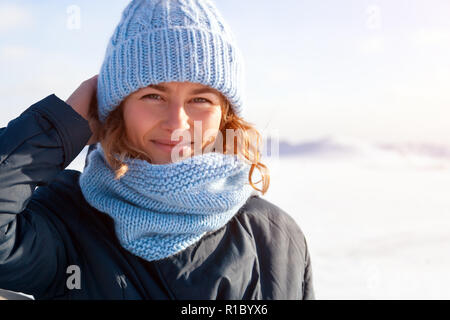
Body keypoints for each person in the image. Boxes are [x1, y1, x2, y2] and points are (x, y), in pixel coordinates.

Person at [0, 0, 314, 300]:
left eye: (200, 99)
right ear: (117, 108)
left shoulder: (274, 236)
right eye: (153, 96)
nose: (177, 121)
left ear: (225, 115)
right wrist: (64, 125)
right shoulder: (68, 219)